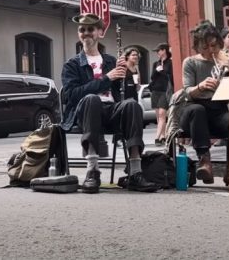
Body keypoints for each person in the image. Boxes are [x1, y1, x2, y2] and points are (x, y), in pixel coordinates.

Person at [60, 13, 159, 194]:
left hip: (111, 112)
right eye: (82, 30)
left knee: (132, 105)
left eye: (90, 29)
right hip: (86, 113)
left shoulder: (110, 61)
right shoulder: (72, 64)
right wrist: (107, 78)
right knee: (92, 99)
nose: (86, 33)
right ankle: (92, 170)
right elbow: (71, 96)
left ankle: (135, 172)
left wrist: (126, 74)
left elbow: (126, 96)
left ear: (100, 33)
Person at [179, 20, 229, 185]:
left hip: (217, 108)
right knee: (197, 110)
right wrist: (200, 86)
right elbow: (186, 92)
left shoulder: (224, 61)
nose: (210, 51)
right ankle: (204, 161)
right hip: (194, 110)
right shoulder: (191, 62)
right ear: (198, 46)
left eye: (214, 46)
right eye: (205, 47)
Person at [150, 43, 174, 146]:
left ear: (164, 50)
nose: (157, 53)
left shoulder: (170, 63)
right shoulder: (156, 63)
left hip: (165, 90)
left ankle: (157, 138)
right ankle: (163, 136)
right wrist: (156, 71)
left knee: (162, 114)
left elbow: (171, 77)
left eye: (158, 51)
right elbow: (152, 77)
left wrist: (163, 71)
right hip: (155, 90)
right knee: (158, 115)